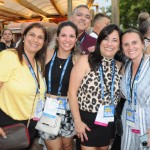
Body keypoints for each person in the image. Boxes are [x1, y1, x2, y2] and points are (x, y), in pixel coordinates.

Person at [68, 24, 123, 150]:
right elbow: (71, 92)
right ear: (100, 41)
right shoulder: (85, 60)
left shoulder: (120, 65)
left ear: (119, 45)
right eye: (106, 39)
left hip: (108, 120)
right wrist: (77, 121)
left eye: (114, 40)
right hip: (86, 122)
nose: (109, 43)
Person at [0, 22, 47, 148]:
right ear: (24, 37)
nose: (35, 40)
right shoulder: (9, 56)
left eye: (40, 37)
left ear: (44, 42)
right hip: (7, 123)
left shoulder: (38, 63)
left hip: (30, 124)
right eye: (32, 35)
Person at [38, 21, 80, 150]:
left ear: (76, 39)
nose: (67, 40)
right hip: (48, 108)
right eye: (63, 35)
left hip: (69, 108)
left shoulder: (79, 59)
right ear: (57, 37)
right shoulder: (47, 53)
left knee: (67, 146)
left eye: (71, 36)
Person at [121, 28, 150, 150]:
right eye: (126, 44)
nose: (130, 47)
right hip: (128, 123)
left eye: (134, 42)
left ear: (143, 44)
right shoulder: (126, 65)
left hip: (146, 125)